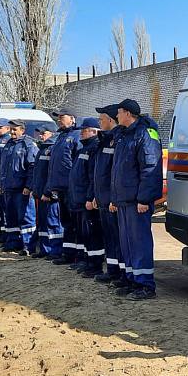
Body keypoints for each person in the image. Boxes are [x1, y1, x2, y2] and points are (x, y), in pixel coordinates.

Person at [109, 99, 163, 301]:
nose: (117, 116)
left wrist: (144, 198)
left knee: (139, 243)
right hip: (124, 200)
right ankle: (132, 280)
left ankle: (145, 285)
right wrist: (115, 198)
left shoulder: (145, 134)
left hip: (136, 201)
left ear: (129, 114)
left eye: (119, 112)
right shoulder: (125, 135)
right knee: (128, 243)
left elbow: (150, 168)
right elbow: (118, 171)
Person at [92, 105, 124, 286]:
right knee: (109, 238)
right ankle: (112, 271)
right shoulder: (104, 140)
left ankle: (121, 273)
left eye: (101, 119)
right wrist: (97, 195)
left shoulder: (117, 140)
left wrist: (114, 198)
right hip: (102, 198)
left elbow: (116, 173)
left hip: (112, 200)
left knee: (118, 239)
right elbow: (99, 173)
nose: (99, 122)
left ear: (111, 120)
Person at [45, 108, 81, 265]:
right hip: (60, 188)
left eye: (62, 117)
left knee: (75, 223)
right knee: (66, 223)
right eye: (58, 118)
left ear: (72, 119)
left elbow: (78, 165)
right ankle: (68, 254)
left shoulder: (76, 136)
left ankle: (77, 256)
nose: (59, 120)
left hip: (71, 189)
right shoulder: (60, 137)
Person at [69, 117, 104, 277]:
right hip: (79, 199)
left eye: (84, 130)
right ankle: (87, 261)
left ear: (94, 131)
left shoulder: (94, 148)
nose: (81, 133)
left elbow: (92, 177)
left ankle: (94, 265)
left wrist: (90, 198)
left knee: (92, 234)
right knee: (84, 233)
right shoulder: (83, 148)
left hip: (87, 200)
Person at [0, 119, 37, 255]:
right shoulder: (8, 144)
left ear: (22, 130)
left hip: (22, 190)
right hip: (9, 188)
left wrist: (28, 186)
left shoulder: (28, 145)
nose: (12, 132)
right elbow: (3, 167)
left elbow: (32, 167)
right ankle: (12, 243)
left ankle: (28, 246)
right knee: (10, 218)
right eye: (11, 129)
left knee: (26, 218)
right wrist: (1, 184)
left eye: (15, 129)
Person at [28, 123, 61, 259]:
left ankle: (56, 250)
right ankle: (44, 249)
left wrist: (49, 192)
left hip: (49, 195)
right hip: (40, 194)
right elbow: (38, 173)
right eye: (40, 134)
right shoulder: (42, 149)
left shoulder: (53, 149)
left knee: (53, 223)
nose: (41, 136)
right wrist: (35, 189)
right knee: (42, 223)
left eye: (44, 133)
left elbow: (52, 173)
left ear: (52, 133)